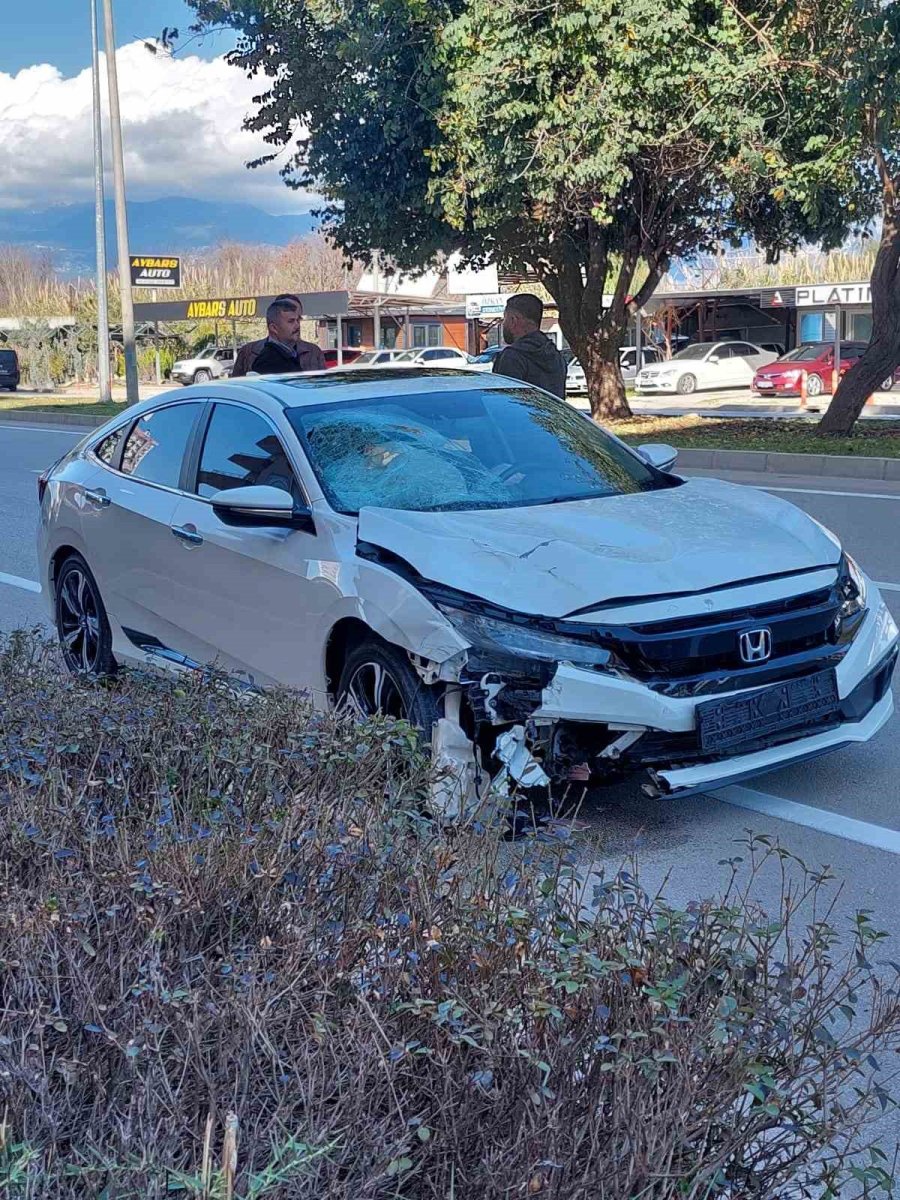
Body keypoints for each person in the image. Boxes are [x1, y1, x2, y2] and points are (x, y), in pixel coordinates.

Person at [492, 293, 567, 399]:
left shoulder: (512, 357)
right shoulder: (554, 354)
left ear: (513, 321)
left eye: (505, 318)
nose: (503, 323)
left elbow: (504, 403)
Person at [231, 294, 325, 376]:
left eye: (298, 319)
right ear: (274, 327)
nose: (297, 325)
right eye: (291, 321)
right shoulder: (249, 352)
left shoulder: (314, 352)